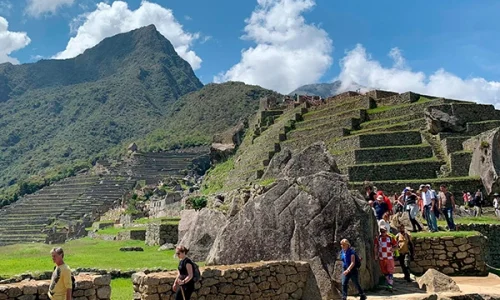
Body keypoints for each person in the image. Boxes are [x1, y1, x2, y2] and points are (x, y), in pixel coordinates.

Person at [374, 226, 398, 291]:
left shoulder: (390, 237)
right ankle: (389, 284)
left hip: (389, 257)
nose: (383, 233)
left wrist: (393, 249)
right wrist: (376, 255)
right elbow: (376, 247)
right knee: (384, 271)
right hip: (381, 257)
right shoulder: (378, 238)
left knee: (390, 271)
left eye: (384, 231)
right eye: (381, 231)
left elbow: (396, 245)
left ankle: (390, 285)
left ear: (386, 231)